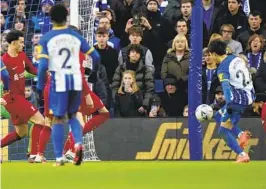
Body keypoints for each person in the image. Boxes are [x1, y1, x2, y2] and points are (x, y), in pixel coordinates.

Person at [36, 5, 99, 166]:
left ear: (51, 19)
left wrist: (39, 87)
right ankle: (77, 144)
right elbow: (96, 56)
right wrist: (93, 73)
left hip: (58, 84)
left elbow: (42, 67)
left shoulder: (47, 38)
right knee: (74, 117)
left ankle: (58, 158)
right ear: (67, 16)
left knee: (56, 120)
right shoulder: (76, 37)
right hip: (75, 83)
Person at [0, 30, 51, 163]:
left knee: (21, 133)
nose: (23, 44)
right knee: (41, 121)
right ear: (13, 43)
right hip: (12, 98)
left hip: (19, 98)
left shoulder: (22, 55)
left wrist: (47, 78)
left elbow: (31, 69)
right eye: (21, 42)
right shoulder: (3, 61)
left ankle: (32, 154)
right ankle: (33, 154)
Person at [208, 40, 255, 163]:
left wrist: (229, 104)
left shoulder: (222, 69)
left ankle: (242, 154)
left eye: (210, 55)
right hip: (249, 93)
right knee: (218, 115)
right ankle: (241, 135)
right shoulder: (236, 58)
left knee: (223, 131)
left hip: (237, 100)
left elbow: (226, 87)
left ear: (213, 54)